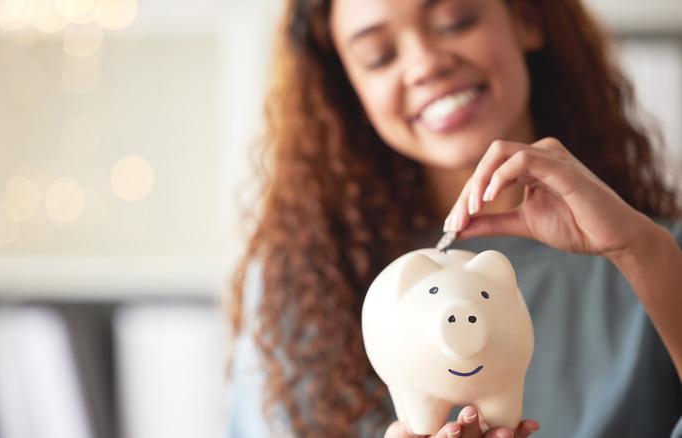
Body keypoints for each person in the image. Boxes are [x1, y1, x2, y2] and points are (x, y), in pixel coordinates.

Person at [225, 0, 682, 437]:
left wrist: (643, 250)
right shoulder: (303, 284)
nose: (425, 64)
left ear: (526, 18)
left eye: (455, 21)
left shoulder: (658, 257)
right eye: (379, 56)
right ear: (350, 90)